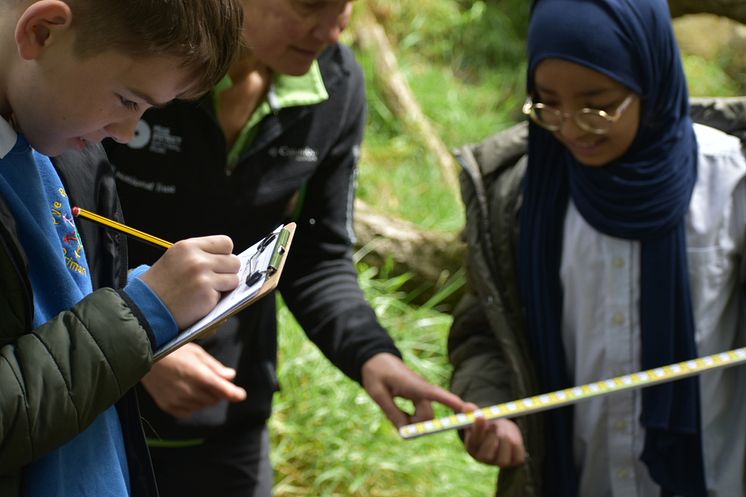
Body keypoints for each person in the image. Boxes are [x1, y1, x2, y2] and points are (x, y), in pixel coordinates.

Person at [103, 0, 466, 496]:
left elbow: (316, 257)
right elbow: (56, 228)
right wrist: (137, 343)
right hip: (96, 403)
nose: (333, 30)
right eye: (311, 5)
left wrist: (374, 356)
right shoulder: (140, 53)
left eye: (345, 7)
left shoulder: (335, 84)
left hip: (230, 418)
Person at [447, 0, 746, 496]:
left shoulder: (729, 182)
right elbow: (483, 333)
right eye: (547, 104)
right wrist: (492, 406)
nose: (570, 126)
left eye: (598, 105)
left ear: (650, 81)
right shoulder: (518, 200)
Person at [0, 1, 244, 496]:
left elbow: (55, 313)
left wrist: (147, 298)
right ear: (43, 33)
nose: (129, 133)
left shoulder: (69, 149)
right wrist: (140, 313)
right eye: (129, 100)